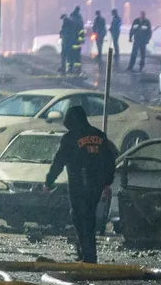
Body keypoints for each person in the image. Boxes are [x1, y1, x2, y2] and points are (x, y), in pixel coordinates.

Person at [43, 105, 118, 264]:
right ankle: (86, 254)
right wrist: (107, 182)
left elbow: (59, 162)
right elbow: (110, 160)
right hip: (96, 184)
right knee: (88, 216)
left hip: (78, 183)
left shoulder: (70, 138)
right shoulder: (100, 135)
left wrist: (49, 182)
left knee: (79, 217)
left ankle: (88, 256)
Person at [68, 7, 86, 72]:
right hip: (77, 41)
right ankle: (77, 68)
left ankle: (70, 67)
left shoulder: (71, 18)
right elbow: (81, 30)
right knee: (77, 55)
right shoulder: (79, 19)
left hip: (70, 41)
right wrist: (81, 39)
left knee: (70, 54)